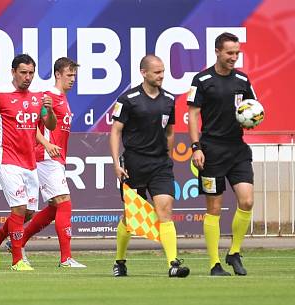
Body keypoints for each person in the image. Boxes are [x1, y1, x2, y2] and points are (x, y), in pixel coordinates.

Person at [0, 54, 56, 271]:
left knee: (28, 213)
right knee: (18, 208)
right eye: (23, 72)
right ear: (13, 72)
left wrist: (50, 109)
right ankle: (17, 260)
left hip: (30, 162)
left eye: (31, 73)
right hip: (6, 159)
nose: (28, 77)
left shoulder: (38, 97)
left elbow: (50, 125)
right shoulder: (0, 95)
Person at [110, 55, 189, 278]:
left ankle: (173, 263)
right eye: (157, 72)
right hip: (133, 164)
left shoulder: (169, 100)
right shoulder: (128, 99)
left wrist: (167, 156)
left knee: (165, 210)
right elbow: (115, 132)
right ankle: (119, 261)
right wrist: (116, 163)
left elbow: (170, 132)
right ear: (144, 73)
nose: (161, 75)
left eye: (163, 71)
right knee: (130, 217)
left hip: (160, 165)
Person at [187, 32, 257, 276]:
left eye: (237, 53)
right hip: (211, 150)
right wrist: (196, 147)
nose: (234, 57)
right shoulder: (203, 79)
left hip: (237, 148)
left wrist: (252, 120)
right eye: (229, 53)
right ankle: (214, 263)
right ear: (217, 51)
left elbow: (252, 109)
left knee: (247, 200)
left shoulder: (242, 79)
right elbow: (193, 114)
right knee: (214, 209)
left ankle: (234, 252)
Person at [19, 57, 85, 268]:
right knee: (64, 202)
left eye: (74, 75)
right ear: (58, 74)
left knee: (54, 208)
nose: (73, 79)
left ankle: (12, 241)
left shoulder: (62, 98)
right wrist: (46, 144)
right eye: (69, 74)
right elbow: (33, 124)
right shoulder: (48, 96)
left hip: (56, 158)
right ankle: (66, 258)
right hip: (46, 157)